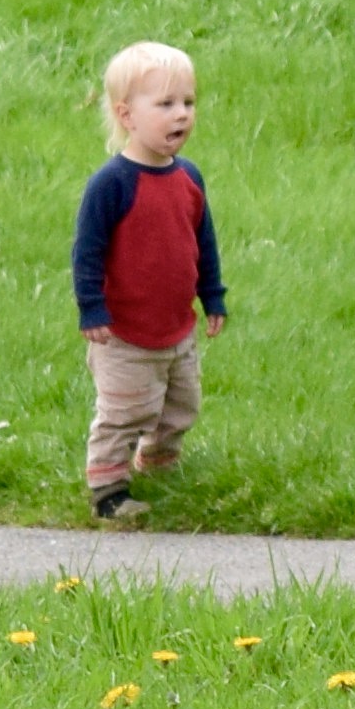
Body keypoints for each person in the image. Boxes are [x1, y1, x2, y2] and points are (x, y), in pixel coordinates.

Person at [72, 40, 227, 525]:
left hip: (176, 326)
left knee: (181, 405)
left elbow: (202, 241)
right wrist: (91, 308)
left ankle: (159, 466)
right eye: (165, 104)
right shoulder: (111, 184)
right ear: (127, 115)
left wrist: (213, 296)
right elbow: (87, 251)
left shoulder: (189, 177)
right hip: (123, 333)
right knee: (125, 411)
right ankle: (108, 489)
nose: (181, 114)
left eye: (188, 102)